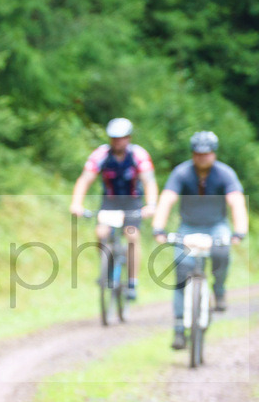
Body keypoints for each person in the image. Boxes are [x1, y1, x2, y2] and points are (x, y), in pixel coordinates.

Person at [151, 131, 248, 349]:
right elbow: (167, 199)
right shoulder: (182, 173)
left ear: (213, 154)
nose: (202, 157)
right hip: (188, 227)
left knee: (222, 253)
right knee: (180, 274)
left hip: (216, 226)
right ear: (193, 154)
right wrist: (158, 227)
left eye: (206, 153)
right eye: (198, 153)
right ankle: (178, 328)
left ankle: (219, 289)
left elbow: (236, 202)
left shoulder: (225, 174)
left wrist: (239, 231)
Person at [69, 118, 158, 300]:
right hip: (110, 202)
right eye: (114, 138)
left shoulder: (138, 155)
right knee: (101, 233)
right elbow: (85, 179)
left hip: (132, 202)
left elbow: (149, 181)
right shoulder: (101, 154)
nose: (117, 141)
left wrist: (151, 205)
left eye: (121, 138)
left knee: (132, 236)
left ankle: (132, 281)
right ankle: (106, 268)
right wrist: (76, 203)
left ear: (129, 138)